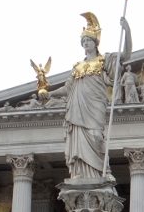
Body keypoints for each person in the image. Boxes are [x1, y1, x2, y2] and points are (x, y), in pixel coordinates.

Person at [45, 12, 132, 181]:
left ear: (95, 43)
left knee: (96, 137)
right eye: (83, 41)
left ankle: (103, 171)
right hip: (77, 109)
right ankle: (80, 174)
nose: (86, 43)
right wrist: (48, 94)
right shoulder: (77, 67)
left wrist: (127, 31)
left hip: (95, 106)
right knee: (78, 141)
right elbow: (67, 88)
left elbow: (126, 55)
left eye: (88, 41)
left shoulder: (103, 60)